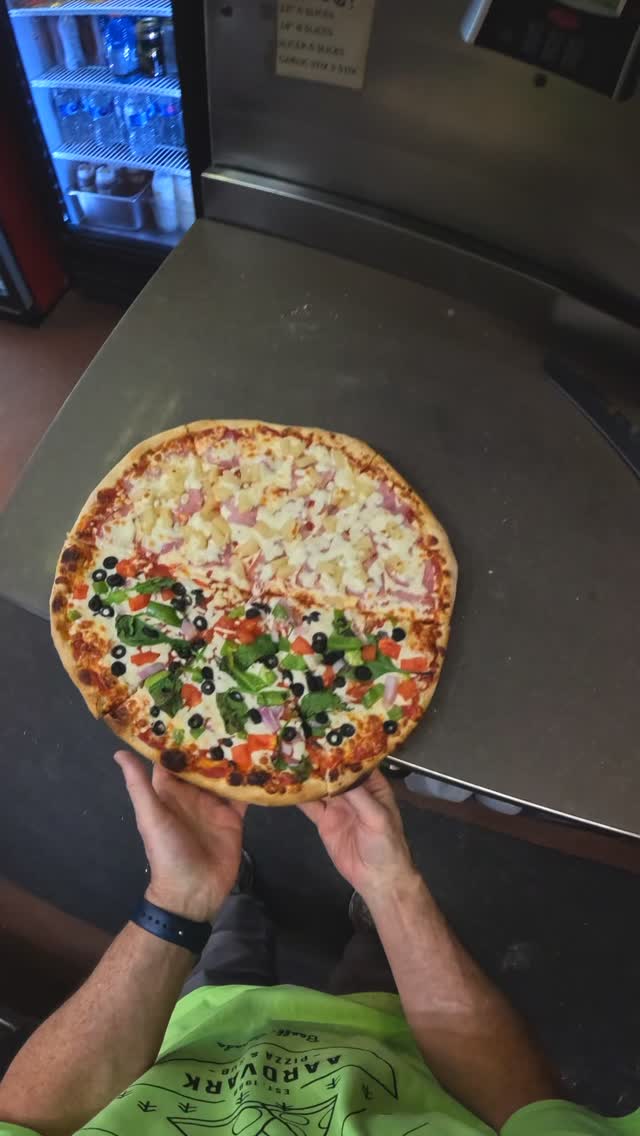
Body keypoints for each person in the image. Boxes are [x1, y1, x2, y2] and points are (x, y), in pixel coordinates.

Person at [0, 754, 631, 1136]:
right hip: (407, 1045)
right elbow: (527, 1109)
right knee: (375, 964)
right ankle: (370, 925)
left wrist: (180, 902)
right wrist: (392, 891)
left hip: (188, 1024)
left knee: (227, 944)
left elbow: (27, 1119)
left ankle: (233, 901)